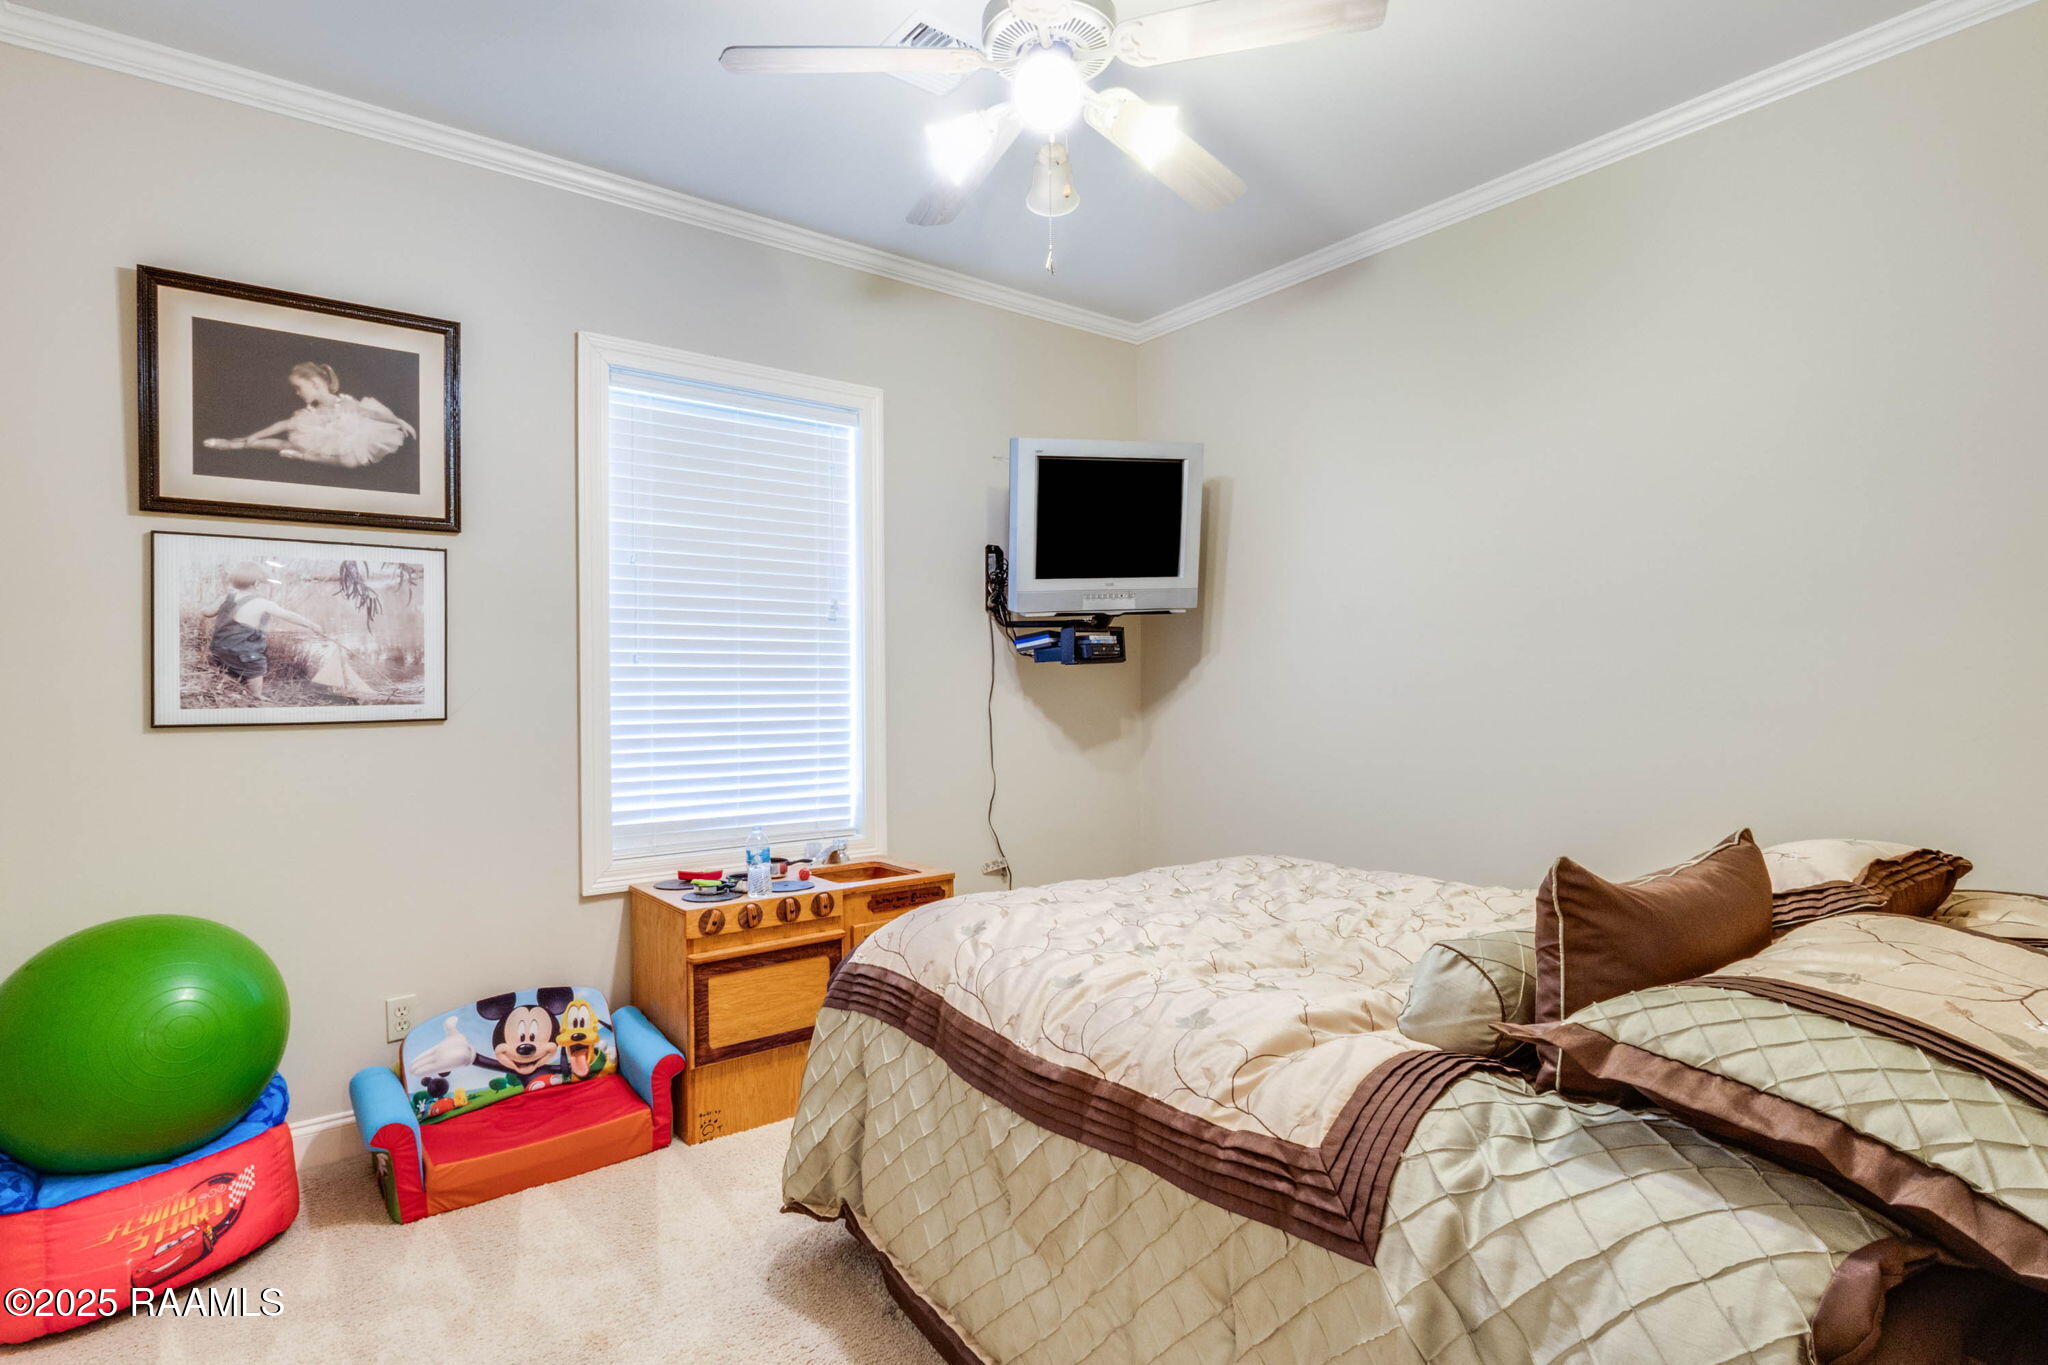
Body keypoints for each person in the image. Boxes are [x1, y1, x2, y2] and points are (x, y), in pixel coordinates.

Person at [202, 361, 416, 468]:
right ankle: (235, 444)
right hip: (322, 436)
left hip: (346, 437)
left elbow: (370, 413)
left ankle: (304, 457)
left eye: (298, 388)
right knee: (283, 443)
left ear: (314, 384)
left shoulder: (343, 402)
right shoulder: (310, 412)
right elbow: (283, 424)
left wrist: (397, 420)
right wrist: (254, 436)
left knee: (349, 461)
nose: (297, 393)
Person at [206, 564, 326, 700]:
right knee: (257, 666)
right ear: (257, 583)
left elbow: (207, 613)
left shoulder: (225, 598)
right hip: (242, 653)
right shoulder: (262, 603)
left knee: (236, 660)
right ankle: (256, 695)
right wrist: (311, 625)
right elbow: (288, 616)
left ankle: (231, 675)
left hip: (218, 649)